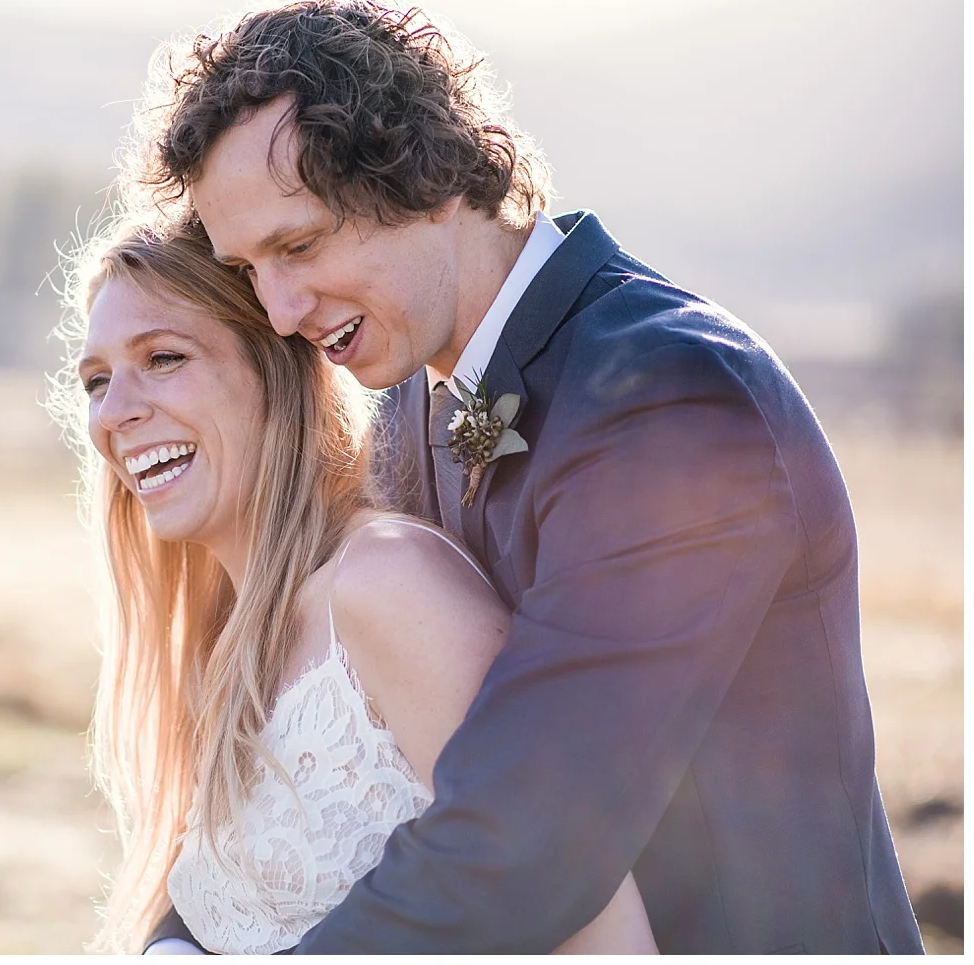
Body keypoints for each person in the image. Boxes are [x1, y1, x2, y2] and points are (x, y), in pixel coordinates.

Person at [124, 0, 924, 954]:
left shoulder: (670, 398)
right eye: (250, 270)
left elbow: (532, 839)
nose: (283, 308)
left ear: (420, 173)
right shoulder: (412, 405)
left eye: (300, 245)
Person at [56, 220, 658, 954]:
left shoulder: (386, 586)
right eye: (96, 381)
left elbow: (594, 923)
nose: (115, 412)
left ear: (277, 375)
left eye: (163, 357)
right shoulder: (226, 641)